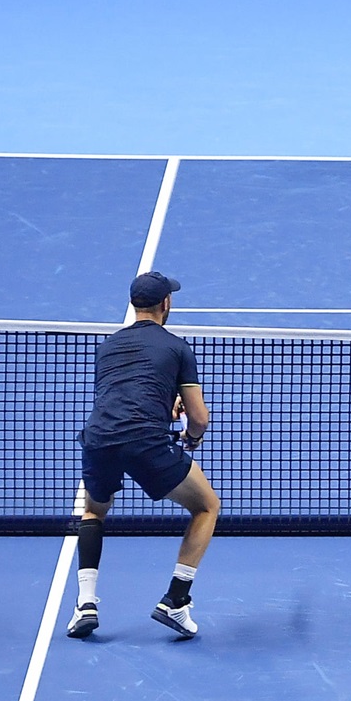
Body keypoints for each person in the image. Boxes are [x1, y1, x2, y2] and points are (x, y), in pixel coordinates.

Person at [66, 271, 220, 640]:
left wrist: (163, 410)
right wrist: (190, 436)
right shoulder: (178, 347)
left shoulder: (108, 347)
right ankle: (176, 601)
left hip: (99, 438)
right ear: (166, 304)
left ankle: (85, 604)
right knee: (206, 506)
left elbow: (124, 396)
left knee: (93, 510)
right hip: (144, 441)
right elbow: (199, 418)